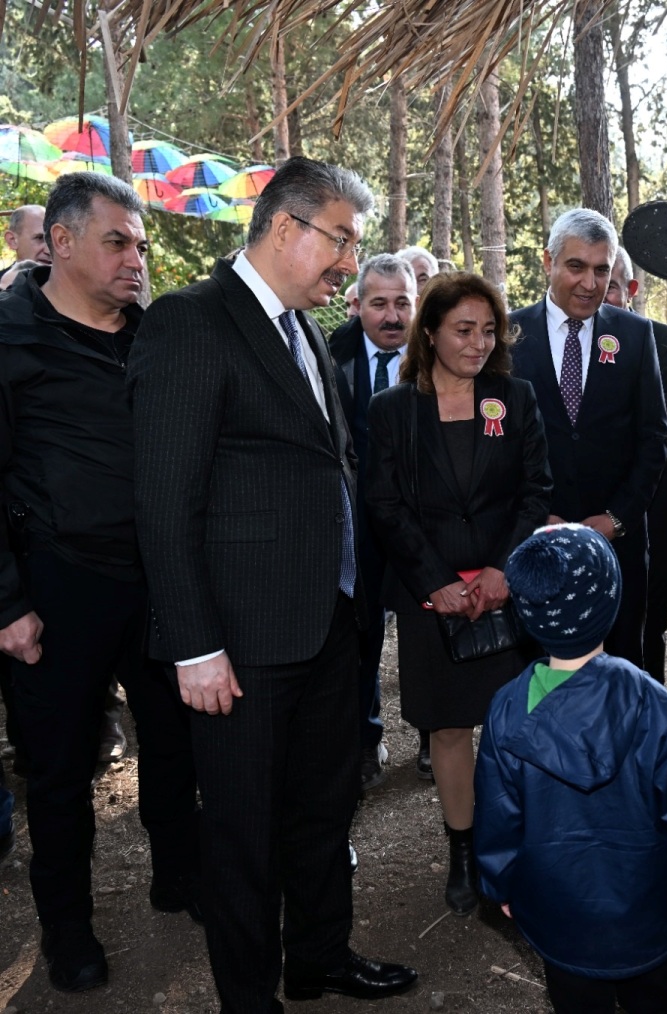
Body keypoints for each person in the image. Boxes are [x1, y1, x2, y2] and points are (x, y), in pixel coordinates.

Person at [130, 156, 418, 1012]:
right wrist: (195, 645)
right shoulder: (191, 323)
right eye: (340, 243)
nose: (346, 264)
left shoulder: (305, 333)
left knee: (324, 813)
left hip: (327, 623)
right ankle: (250, 998)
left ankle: (320, 956)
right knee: (244, 840)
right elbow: (161, 502)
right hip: (240, 646)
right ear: (286, 228)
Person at [0, 173, 200, 992]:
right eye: (118, 241)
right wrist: (7, 603)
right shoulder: (10, 341)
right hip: (56, 591)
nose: (136, 259)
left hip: (156, 582)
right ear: (61, 241)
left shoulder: (152, 337)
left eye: (142, 245)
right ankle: (67, 928)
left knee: (176, 743)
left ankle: (180, 879)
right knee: (58, 769)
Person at [475, 522, 667, 1014]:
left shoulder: (506, 709)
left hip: (560, 913)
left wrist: (502, 881)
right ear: (609, 602)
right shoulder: (648, 699)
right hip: (646, 909)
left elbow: (498, 812)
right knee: (662, 1002)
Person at [366, 271, 551, 916]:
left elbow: (536, 492)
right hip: (431, 596)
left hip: (508, 591)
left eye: (489, 330)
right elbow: (384, 505)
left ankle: (521, 843)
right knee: (449, 727)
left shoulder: (514, 397)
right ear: (432, 333)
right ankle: (464, 851)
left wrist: (503, 571)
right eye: (464, 330)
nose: (478, 343)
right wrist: (437, 582)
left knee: (516, 725)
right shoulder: (393, 408)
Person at [510, 210, 667, 670]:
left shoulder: (635, 336)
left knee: (618, 670)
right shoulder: (508, 335)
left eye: (602, 270)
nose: (589, 282)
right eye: (576, 266)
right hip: (536, 541)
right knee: (541, 672)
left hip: (616, 546)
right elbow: (499, 445)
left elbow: (654, 436)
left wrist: (617, 518)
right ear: (548, 262)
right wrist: (538, 515)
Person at [330, 253, 418, 791]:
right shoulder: (326, 351)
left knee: (428, 627)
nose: (392, 316)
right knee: (359, 637)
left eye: (402, 303)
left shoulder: (440, 354)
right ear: (357, 304)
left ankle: (435, 736)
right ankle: (365, 739)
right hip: (354, 524)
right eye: (379, 303)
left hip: (422, 523)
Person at [604, 244, 667, 683]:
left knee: (647, 631)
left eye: (612, 285)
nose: (600, 294)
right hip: (581, 513)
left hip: (651, 514)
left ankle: (647, 724)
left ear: (631, 289)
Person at [0, 205, 51, 289]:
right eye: (39, 238)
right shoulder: (2, 284)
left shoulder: (71, 285)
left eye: (53, 240)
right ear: (12, 240)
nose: (49, 250)